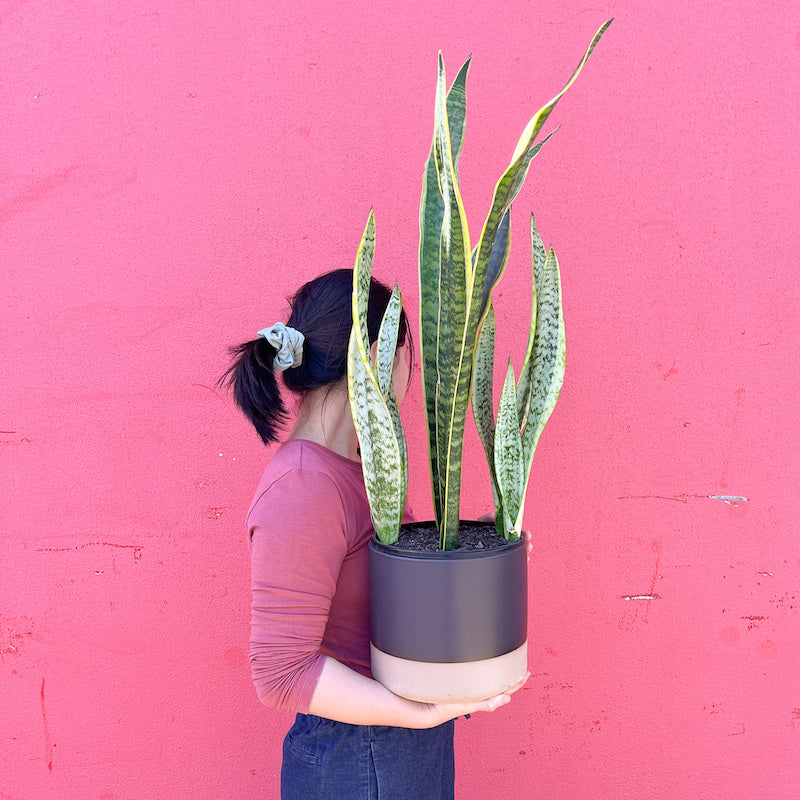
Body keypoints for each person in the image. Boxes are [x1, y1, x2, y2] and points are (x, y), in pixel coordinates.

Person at [221, 268, 528, 800]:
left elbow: (394, 581)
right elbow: (279, 673)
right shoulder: (302, 484)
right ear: (380, 356)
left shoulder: (358, 468)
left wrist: (484, 546)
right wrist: (423, 712)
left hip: (397, 745)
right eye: (408, 349)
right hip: (358, 760)